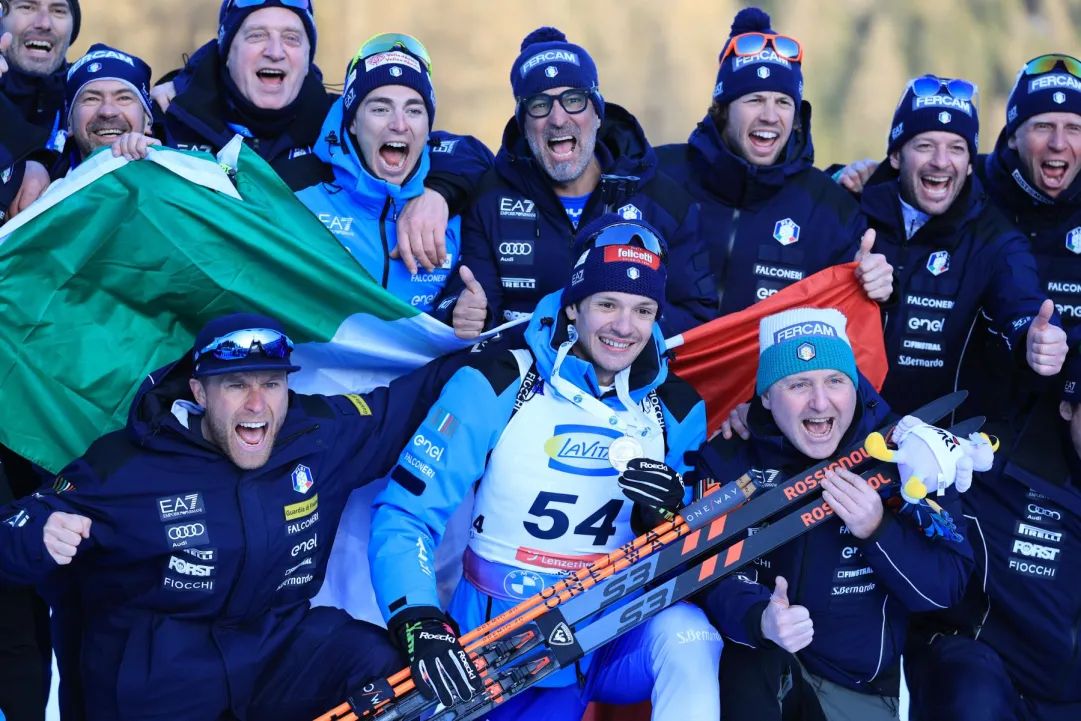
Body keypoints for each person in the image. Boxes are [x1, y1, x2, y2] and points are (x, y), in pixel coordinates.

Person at [0, 312, 466, 721]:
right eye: (237, 384)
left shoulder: (320, 436)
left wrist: (509, 345)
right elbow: (14, 534)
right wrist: (39, 533)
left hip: (275, 649)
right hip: (156, 679)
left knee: (385, 669)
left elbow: (415, 397)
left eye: (271, 383)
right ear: (200, 391)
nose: (257, 404)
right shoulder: (125, 465)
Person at [370, 215, 723, 720]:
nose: (624, 327)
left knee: (692, 636)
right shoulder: (497, 381)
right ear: (574, 307)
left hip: (609, 635)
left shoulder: (677, 409)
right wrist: (418, 620)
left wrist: (665, 517)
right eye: (607, 304)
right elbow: (405, 513)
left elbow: (690, 551)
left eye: (643, 310)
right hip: (502, 643)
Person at [693, 307, 974, 721]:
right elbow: (701, 570)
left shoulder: (909, 455)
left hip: (858, 686)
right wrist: (758, 619)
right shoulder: (728, 456)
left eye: (836, 381)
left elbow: (947, 588)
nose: (820, 402)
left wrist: (878, 530)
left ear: (856, 387)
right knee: (748, 666)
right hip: (758, 670)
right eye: (798, 383)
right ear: (766, 396)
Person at [155, 1, 493, 278]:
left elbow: (462, 152)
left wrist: (437, 194)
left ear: (307, 59)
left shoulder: (337, 123)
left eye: (291, 38)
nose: (275, 52)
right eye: (257, 35)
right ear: (227, 49)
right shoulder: (170, 117)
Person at [435, 27, 716, 338]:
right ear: (523, 123)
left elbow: (698, 315)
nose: (558, 119)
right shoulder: (490, 197)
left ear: (597, 113)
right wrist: (464, 314)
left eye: (573, 100)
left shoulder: (664, 201)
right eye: (540, 105)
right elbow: (477, 303)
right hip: (520, 375)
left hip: (628, 378)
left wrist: (630, 322)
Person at [656, 7, 893, 316]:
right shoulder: (659, 177)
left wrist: (883, 286)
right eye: (754, 100)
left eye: (783, 102)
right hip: (664, 363)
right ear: (723, 109)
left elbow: (855, 326)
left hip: (769, 366)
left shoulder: (830, 208)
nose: (769, 116)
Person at [857, 74, 1067, 415]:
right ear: (896, 155)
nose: (941, 162)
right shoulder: (852, 214)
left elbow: (1021, 301)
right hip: (839, 442)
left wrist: (1034, 337)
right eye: (925, 145)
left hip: (941, 447)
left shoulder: (995, 240)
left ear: (970, 164)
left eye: (956, 148)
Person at [905, 351, 1081, 721]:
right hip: (989, 677)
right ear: (1067, 407)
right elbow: (895, 457)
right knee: (971, 695)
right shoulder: (991, 462)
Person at [294, 34, 458, 313]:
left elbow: (476, 296)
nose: (399, 124)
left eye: (414, 110)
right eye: (381, 109)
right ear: (353, 123)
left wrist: (465, 307)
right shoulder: (294, 194)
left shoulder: (461, 204)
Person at [0, 0, 80, 218]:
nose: (44, 23)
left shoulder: (90, 94)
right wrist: (16, 170)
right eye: (27, 7)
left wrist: (177, 86)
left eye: (58, 10)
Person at [53, 43, 158, 174]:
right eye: (91, 99)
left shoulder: (179, 180)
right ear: (69, 124)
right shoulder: (44, 189)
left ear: (148, 119)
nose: (108, 112)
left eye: (123, 98)